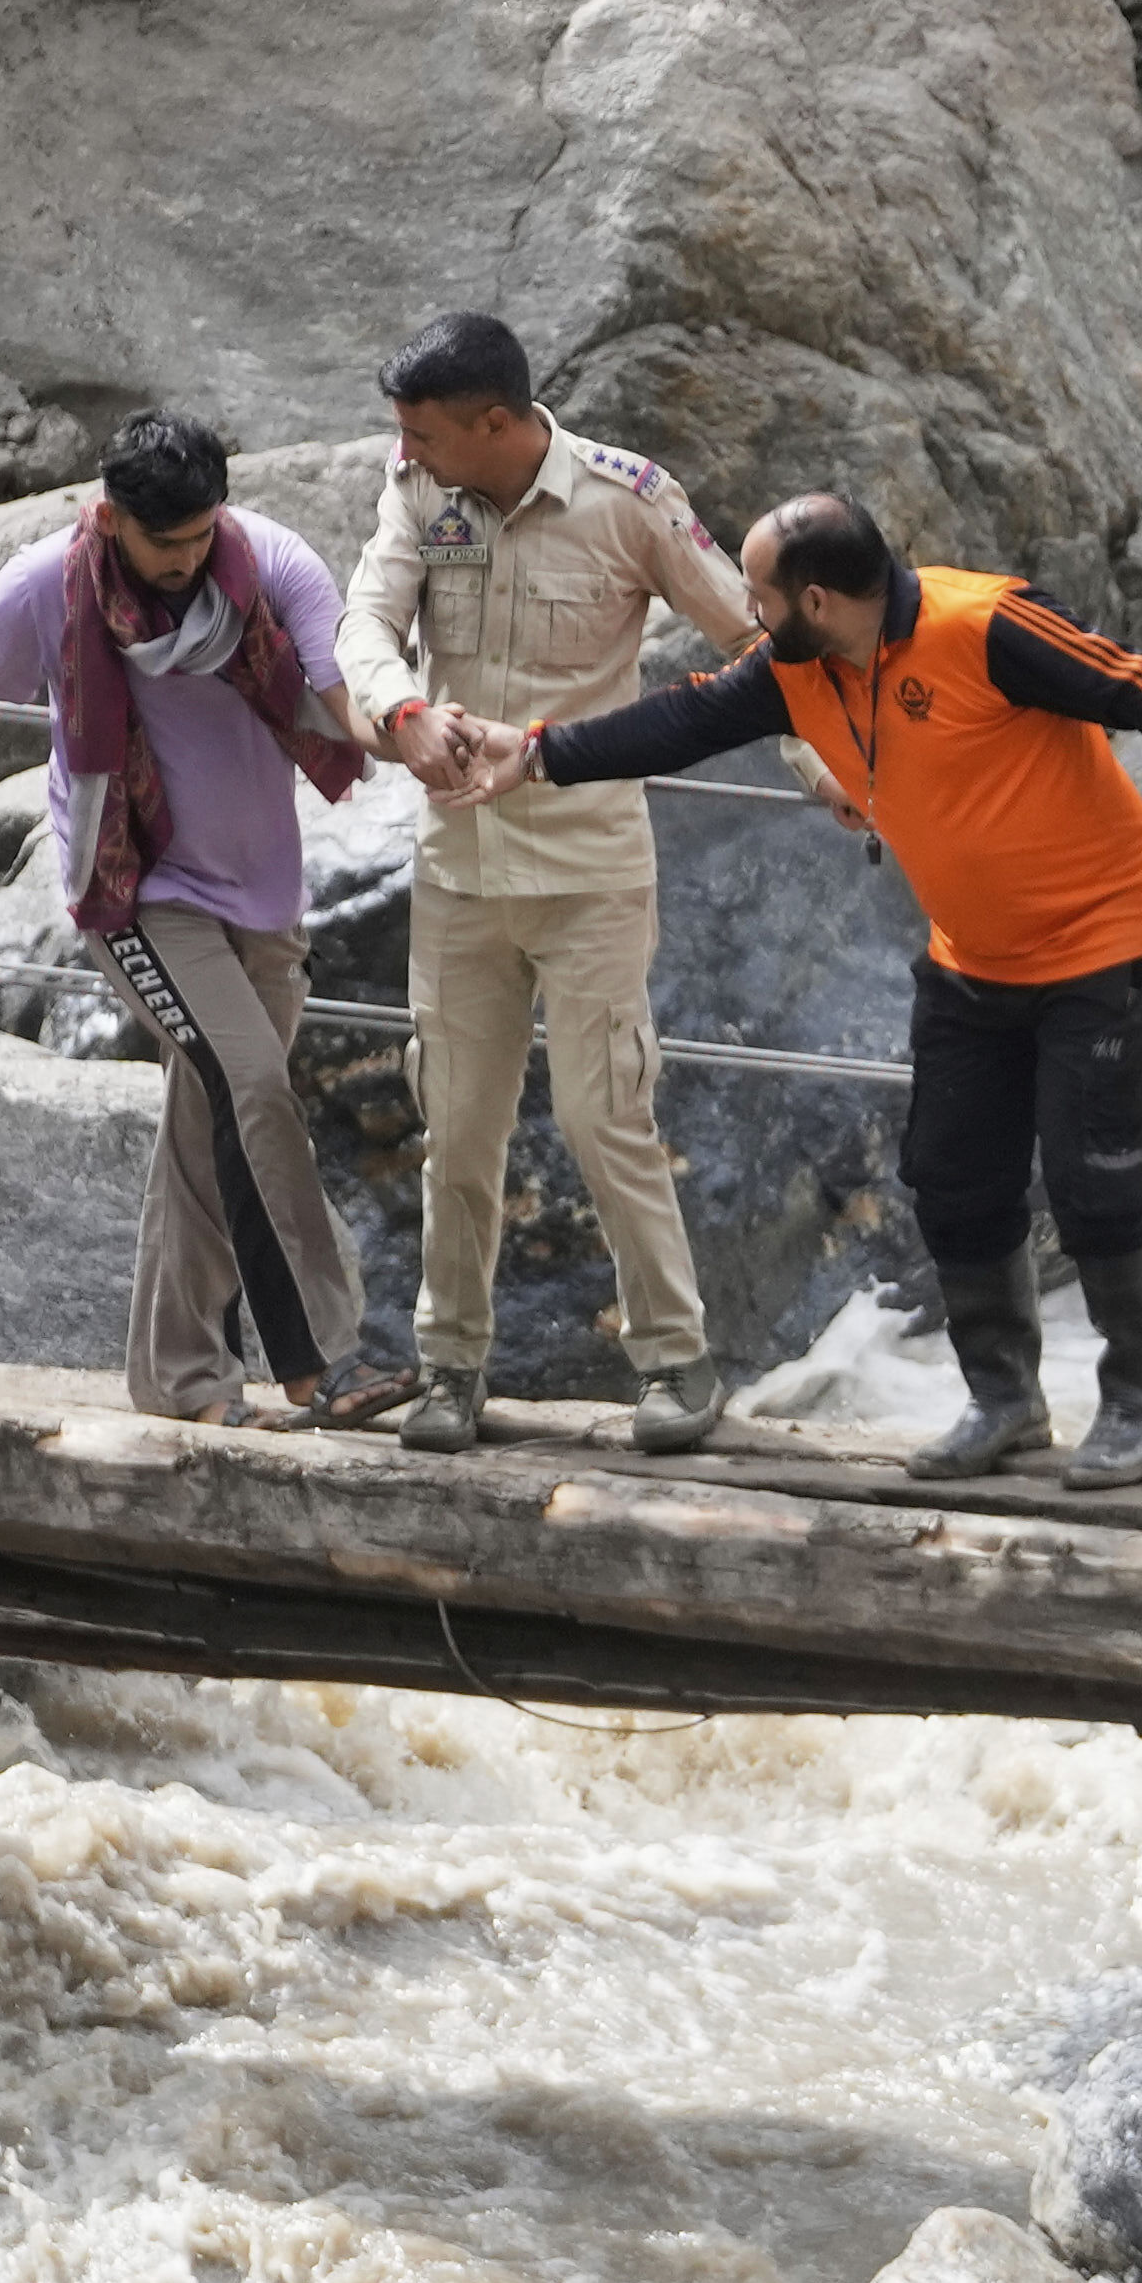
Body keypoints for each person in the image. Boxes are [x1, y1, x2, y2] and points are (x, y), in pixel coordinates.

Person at [483, 497, 1142, 1487]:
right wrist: (539, 752)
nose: (748, 609)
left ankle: (1135, 1407)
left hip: (1102, 943)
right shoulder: (797, 668)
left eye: (760, 594)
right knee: (949, 1176)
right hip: (972, 959)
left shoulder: (983, 626)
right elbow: (680, 719)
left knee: (1093, 1179)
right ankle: (1005, 1401)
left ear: (815, 597)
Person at [0, 415, 403, 1435]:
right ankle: (323, 1362)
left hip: (264, 891)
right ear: (112, 518)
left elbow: (341, 691)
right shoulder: (49, 582)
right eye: (162, 545)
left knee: (208, 1119)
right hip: (136, 890)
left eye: (197, 539)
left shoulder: (270, 564)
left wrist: (411, 732)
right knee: (251, 1082)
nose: (184, 563)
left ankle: (182, 1380)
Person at [341, 313, 762, 1457]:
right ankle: (451, 1365)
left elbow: (754, 640)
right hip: (457, 873)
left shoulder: (630, 500)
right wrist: (404, 712)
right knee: (458, 1127)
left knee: (603, 1113)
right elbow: (364, 630)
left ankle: (675, 1360)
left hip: (591, 870)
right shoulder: (415, 491)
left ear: (495, 423)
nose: (406, 447)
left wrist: (831, 762)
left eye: (424, 430)